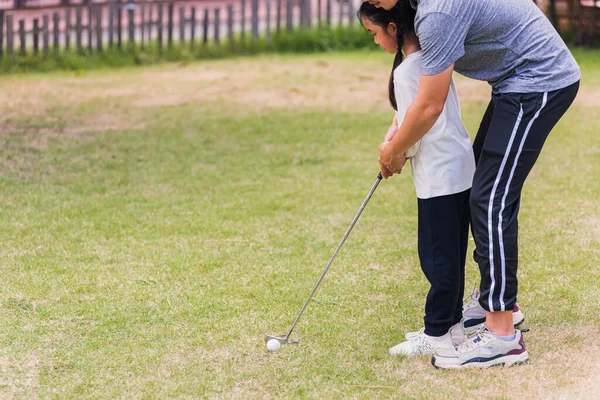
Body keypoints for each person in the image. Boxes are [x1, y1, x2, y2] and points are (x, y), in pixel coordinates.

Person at [370, 0, 580, 368]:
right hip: (514, 83)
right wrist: (397, 135)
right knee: (484, 187)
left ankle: (502, 334)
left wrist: (394, 153)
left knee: (490, 199)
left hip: (539, 80)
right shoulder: (423, 7)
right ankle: (494, 302)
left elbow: (431, 105)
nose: (369, 3)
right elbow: (422, 95)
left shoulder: (436, 14)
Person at [358, 1, 475, 356]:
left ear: (393, 28)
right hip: (459, 170)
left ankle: (437, 332)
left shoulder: (407, 72)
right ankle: (452, 326)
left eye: (374, 33)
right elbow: (407, 119)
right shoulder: (429, 64)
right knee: (451, 255)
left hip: (439, 176)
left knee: (436, 258)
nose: (375, 41)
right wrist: (392, 141)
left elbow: (417, 130)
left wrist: (392, 156)